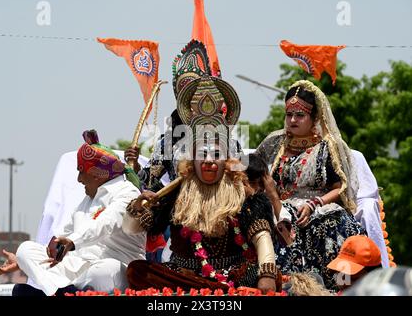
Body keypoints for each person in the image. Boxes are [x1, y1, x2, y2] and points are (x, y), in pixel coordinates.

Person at [122, 75, 280, 293]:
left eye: (216, 154)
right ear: (191, 158)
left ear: (226, 159)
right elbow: (131, 229)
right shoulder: (175, 192)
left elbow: (261, 236)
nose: (208, 161)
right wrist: (137, 207)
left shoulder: (241, 192)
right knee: (136, 271)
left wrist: (267, 274)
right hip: (183, 276)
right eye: (202, 154)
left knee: (260, 278)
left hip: (232, 276)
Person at [0, 130, 146, 296]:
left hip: (114, 269)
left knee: (105, 270)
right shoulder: (87, 200)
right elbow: (61, 238)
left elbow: (106, 223)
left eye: (81, 171)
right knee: (26, 250)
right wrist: (22, 262)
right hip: (78, 272)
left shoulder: (128, 192)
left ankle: (56, 292)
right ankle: (59, 291)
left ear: (97, 175)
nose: (79, 179)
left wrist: (72, 241)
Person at [256, 80, 365, 290]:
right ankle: (281, 281)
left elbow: (339, 187)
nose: (293, 120)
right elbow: (251, 169)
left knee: (334, 219)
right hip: (279, 205)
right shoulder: (275, 142)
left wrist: (315, 203)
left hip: (317, 206)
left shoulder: (327, 147)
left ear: (314, 118)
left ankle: (335, 285)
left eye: (300, 115)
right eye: (289, 114)